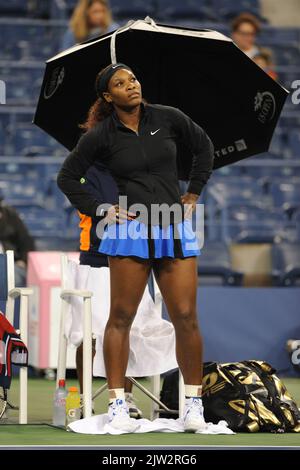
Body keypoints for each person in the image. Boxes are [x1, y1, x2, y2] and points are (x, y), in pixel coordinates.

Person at [57, 63, 215, 432]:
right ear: (107, 96)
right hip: (129, 230)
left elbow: (204, 147)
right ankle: (117, 406)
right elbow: (67, 177)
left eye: (133, 79)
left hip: (172, 225)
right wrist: (100, 209)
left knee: (186, 317)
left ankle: (194, 406)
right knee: (121, 318)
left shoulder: (169, 118)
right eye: (120, 83)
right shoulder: (101, 135)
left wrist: (193, 191)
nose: (131, 86)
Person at [76, 161, 143, 418]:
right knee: (88, 333)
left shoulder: (138, 171)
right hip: (96, 261)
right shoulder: (88, 172)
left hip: (133, 258)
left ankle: (126, 396)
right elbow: (92, 207)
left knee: (133, 329)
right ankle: (84, 397)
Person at [0, 190, 35, 286]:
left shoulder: (11, 215)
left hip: (12, 264)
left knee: (13, 278)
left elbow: (26, 241)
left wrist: (23, 261)